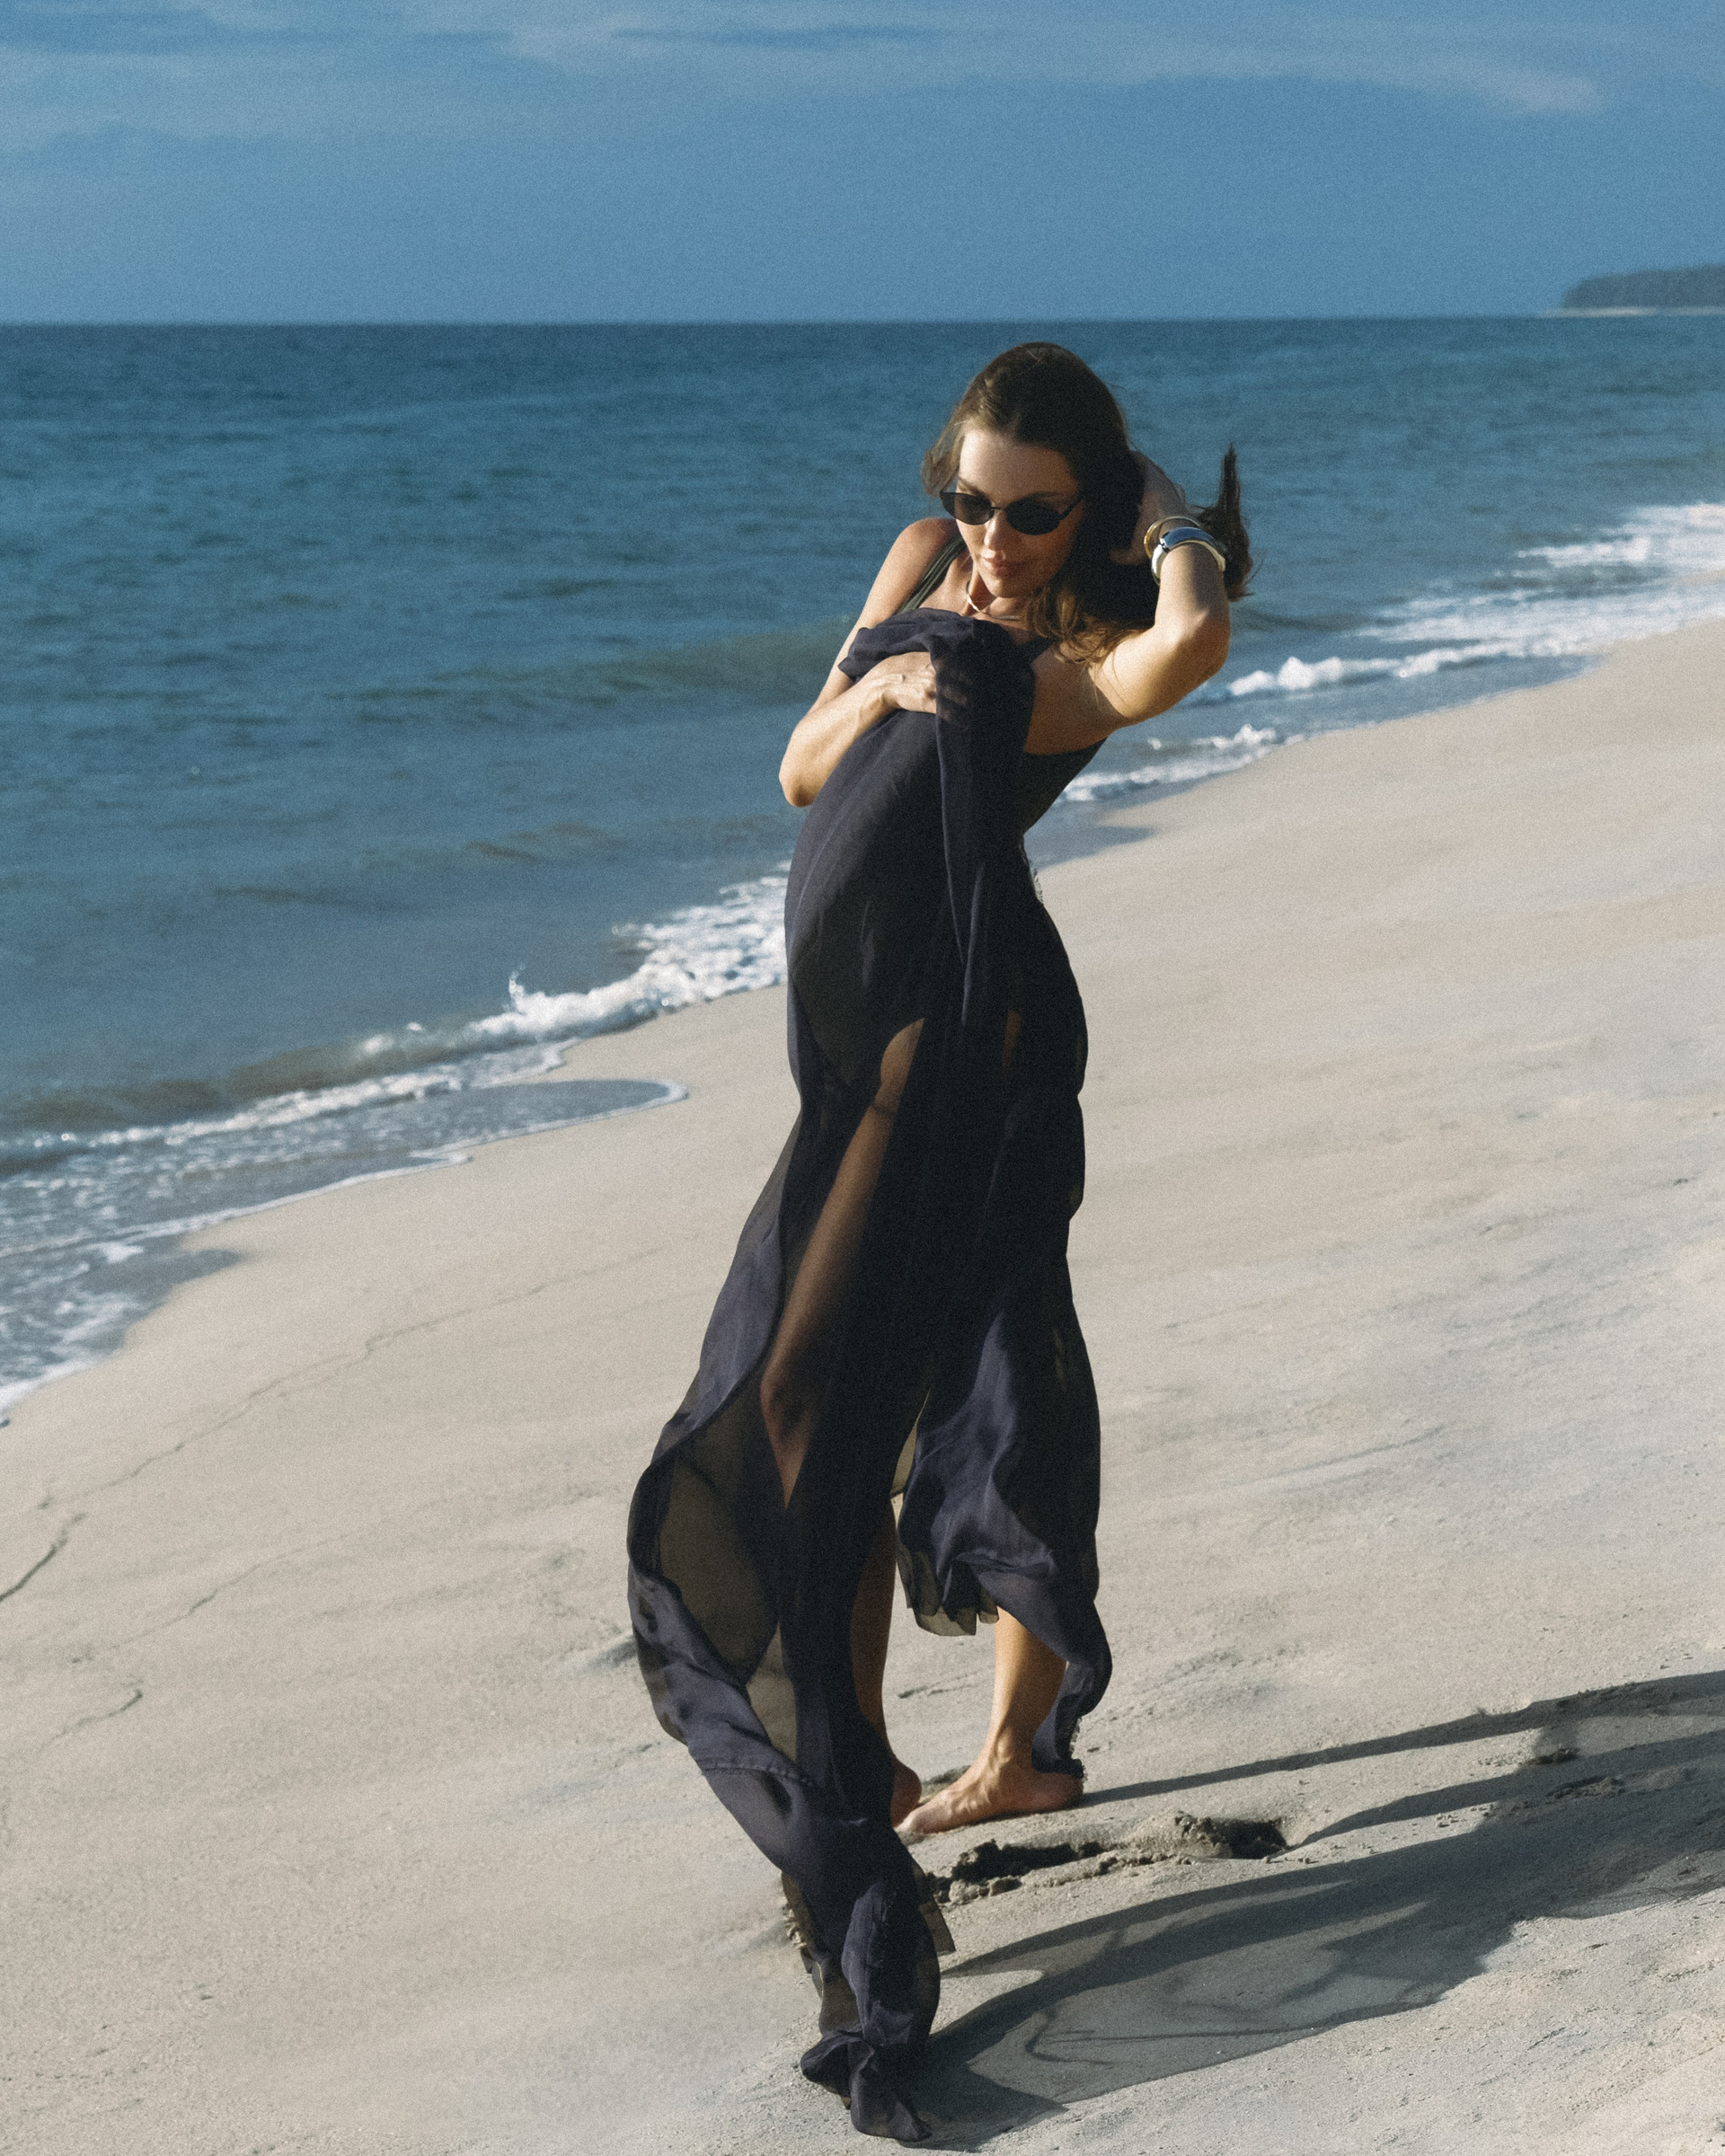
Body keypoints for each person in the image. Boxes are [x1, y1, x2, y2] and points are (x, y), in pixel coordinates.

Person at [627, 342, 1250, 2143]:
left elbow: (1193, 646)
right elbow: (799, 770)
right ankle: (911, 1756)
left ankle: (959, 1762)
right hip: (859, 1058)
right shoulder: (923, 573)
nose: (990, 537)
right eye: (973, 498)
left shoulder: (1065, 658)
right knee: (907, 1380)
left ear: (1087, 510)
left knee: (916, 1381)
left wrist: (1167, 524)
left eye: (1032, 512)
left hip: (963, 1054)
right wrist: (887, 671)